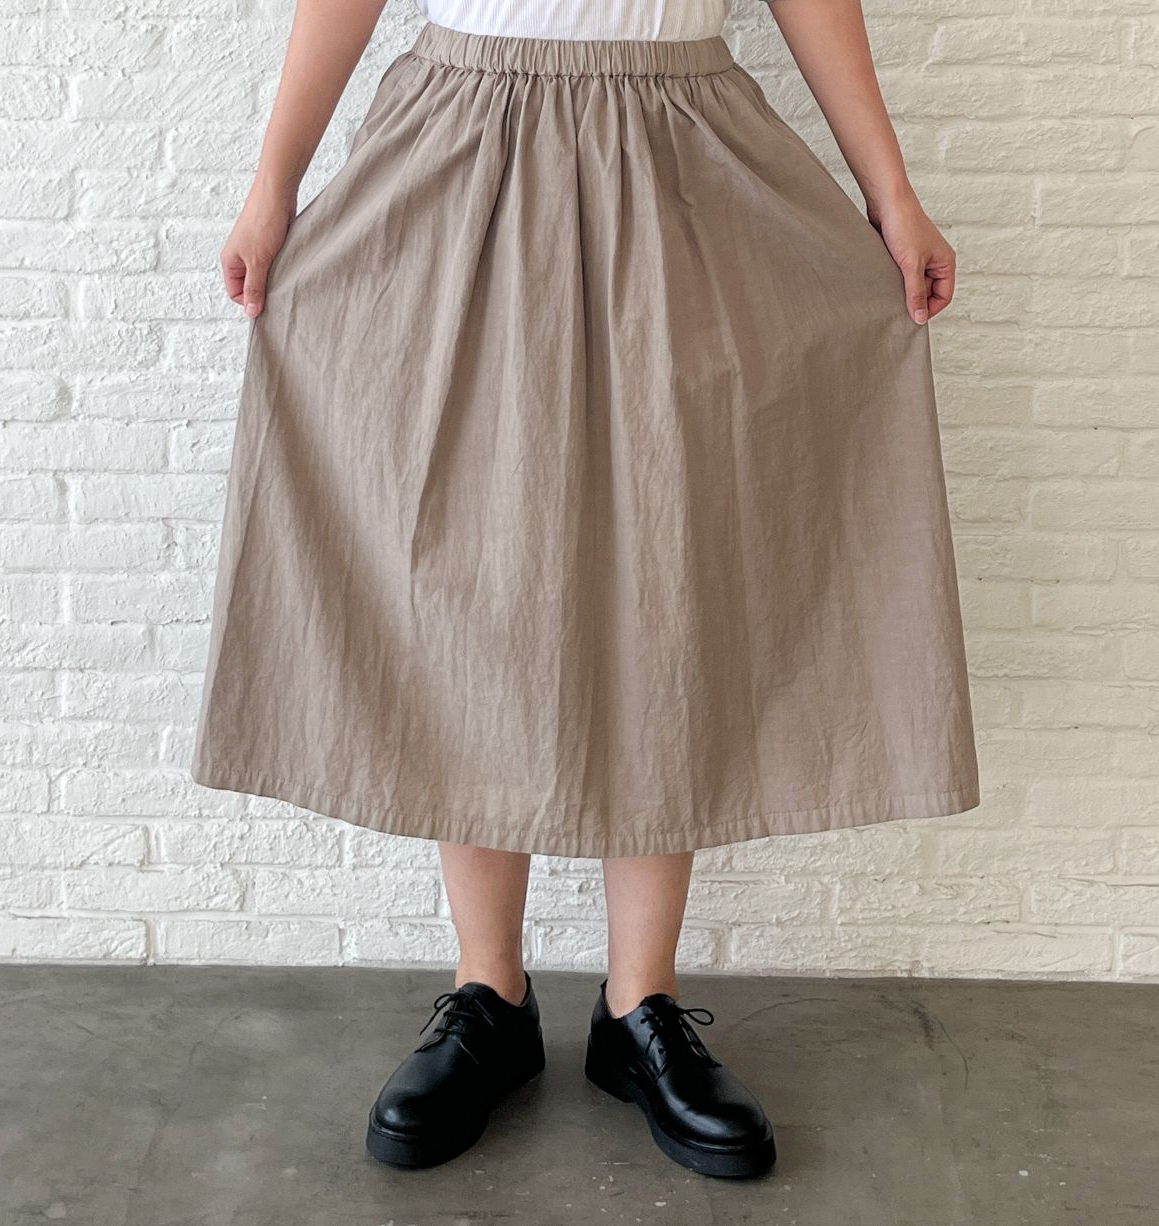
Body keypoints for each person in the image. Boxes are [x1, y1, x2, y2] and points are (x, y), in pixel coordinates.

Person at [189, 0, 980, 1180]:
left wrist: (890, 192)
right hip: (460, 145)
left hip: (684, 150)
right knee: (468, 576)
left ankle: (638, 1004)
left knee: (670, 574)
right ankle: (487, 993)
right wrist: (273, 185)